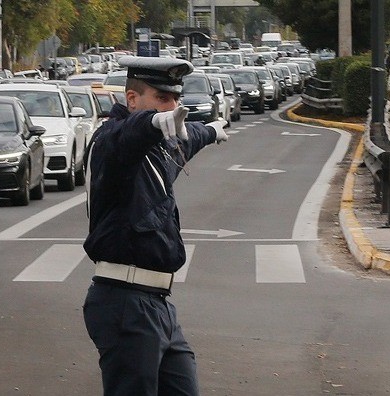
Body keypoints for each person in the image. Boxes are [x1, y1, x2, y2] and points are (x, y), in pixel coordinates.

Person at [82, 55, 228, 395]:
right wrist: (150, 124)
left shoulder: (160, 147)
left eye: (175, 98)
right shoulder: (112, 143)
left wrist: (209, 131)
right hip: (124, 302)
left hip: (158, 303)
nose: (173, 106)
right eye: (162, 98)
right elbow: (129, 135)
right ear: (132, 99)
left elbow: (186, 137)